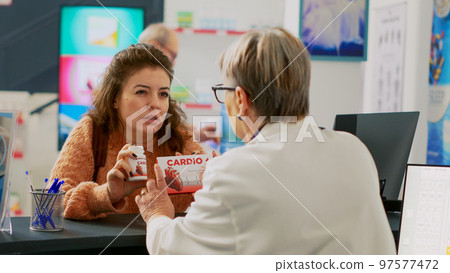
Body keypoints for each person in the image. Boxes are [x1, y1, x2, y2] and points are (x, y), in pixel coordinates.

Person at [135, 27, 397, 254]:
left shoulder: (235, 170)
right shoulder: (354, 149)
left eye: (223, 91)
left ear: (240, 99)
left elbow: (174, 252)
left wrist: (157, 213)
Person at [50, 43, 203, 220]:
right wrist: (107, 194)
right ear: (115, 98)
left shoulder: (177, 137)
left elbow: (211, 198)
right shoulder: (92, 131)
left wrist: (211, 182)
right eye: (141, 92)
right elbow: (53, 200)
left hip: (160, 246)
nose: (156, 104)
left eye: (163, 94)